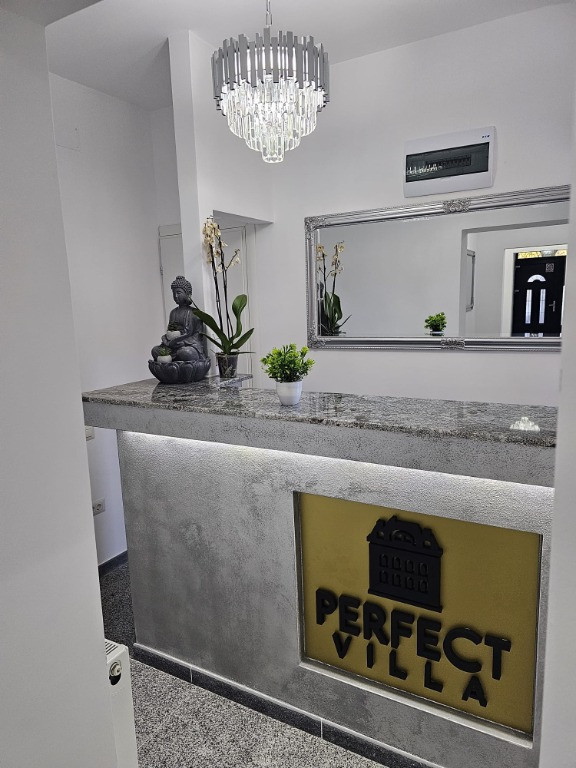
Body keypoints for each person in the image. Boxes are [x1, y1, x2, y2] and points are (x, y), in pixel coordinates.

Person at [151, 276, 207, 362]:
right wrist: (167, 340)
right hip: (173, 346)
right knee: (155, 350)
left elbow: (198, 335)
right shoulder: (173, 312)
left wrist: (184, 342)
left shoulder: (195, 313)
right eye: (173, 293)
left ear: (187, 293)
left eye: (179, 292)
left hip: (189, 346)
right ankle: (175, 360)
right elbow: (171, 331)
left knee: (185, 352)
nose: (176, 296)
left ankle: (175, 361)